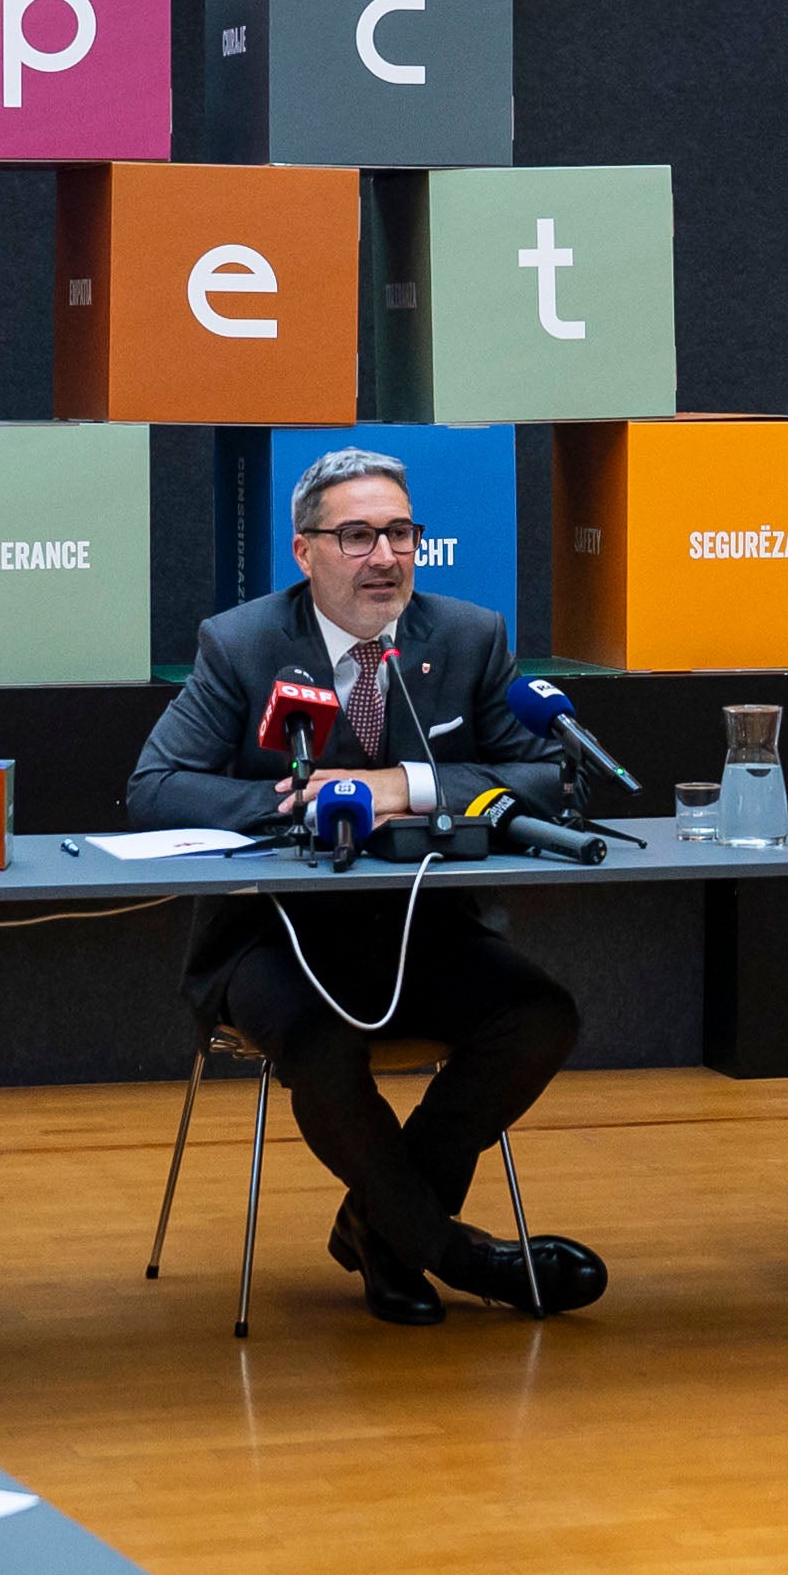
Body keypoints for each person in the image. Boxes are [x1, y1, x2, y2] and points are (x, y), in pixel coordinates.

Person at [128, 447, 606, 1330]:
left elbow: (548, 776)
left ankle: (382, 1229)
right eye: (356, 535)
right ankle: (458, 1254)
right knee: (321, 1044)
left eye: (400, 533)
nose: (384, 556)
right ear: (305, 551)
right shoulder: (242, 643)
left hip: (424, 926)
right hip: (275, 937)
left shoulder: (466, 635)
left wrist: (408, 784)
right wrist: (296, 801)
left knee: (541, 1014)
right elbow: (154, 786)